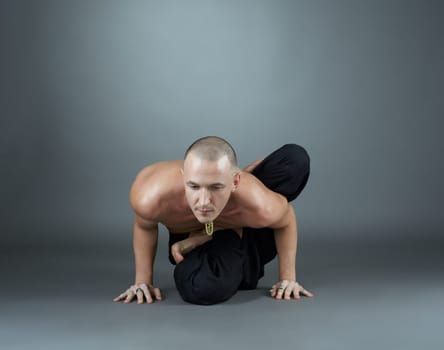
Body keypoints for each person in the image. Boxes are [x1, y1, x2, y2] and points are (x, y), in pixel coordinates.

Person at [113, 136, 314, 305]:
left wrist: (288, 278)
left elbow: (286, 219)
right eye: (193, 186)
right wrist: (143, 281)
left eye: (216, 187)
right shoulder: (150, 196)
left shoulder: (259, 203)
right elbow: (144, 225)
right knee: (202, 288)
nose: (203, 201)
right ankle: (224, 246)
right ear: (183, 178)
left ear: (235, 181)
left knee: (294, 159)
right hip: (193, 243)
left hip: (234, 225)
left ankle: (232, 243)